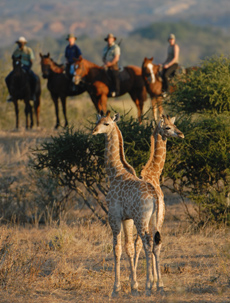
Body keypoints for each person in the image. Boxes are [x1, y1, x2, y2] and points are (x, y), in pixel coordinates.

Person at [5, 36, 37, 102]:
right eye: (19, 43)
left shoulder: (28, 50)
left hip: (26, 67)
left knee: (35, 78)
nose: (20, 44)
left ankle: (32, 94)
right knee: (7, 78)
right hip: (17, 68)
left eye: (22, 43)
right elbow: (13, 60)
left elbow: (31, 61)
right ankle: (11, 94)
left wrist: (28, 68)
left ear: (24, 43)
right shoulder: (16, 52)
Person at [102, 33, 120, 97]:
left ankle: (116, 91)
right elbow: (103, 58)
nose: (109, 40)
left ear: (113, 39)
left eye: (111, 39)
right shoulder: (105, 48)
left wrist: (110, 63)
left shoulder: (115, 47)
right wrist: (105, 63)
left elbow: (116, 58)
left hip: (113, 66)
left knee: (114, 75)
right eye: (108, 39)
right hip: (106, 65)